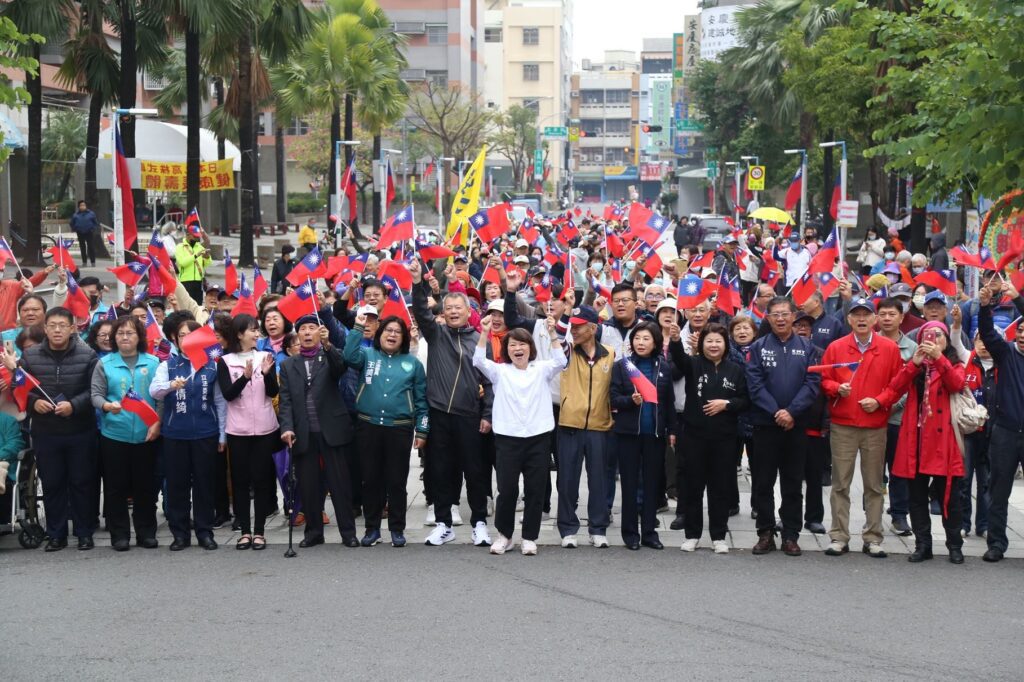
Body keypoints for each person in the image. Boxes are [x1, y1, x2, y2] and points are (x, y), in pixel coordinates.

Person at [410, 258, 493, 547]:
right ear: (443, 313)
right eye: (449, 308)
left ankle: (480, 523)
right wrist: (418, 283)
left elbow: (489, 381)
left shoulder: (480, 341)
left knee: (475, 471)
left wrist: (488, 414)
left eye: (459, 308)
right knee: (440, 471)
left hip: (469, 415)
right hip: (438, 414)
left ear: (469, 312)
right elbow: (421, 311)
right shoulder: (436, 334)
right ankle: (444, 524)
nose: (454, 311)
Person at [819, 297, 906, 558]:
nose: (861, 319)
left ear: (874, 319)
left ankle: (873, 537)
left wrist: (880, 401)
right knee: (840, 484)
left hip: (875, 425)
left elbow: (898, 384)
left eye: (866, 314)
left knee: (874, 485)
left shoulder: (889, 348)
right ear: (848, 319)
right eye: (856, 314)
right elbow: (824, 379)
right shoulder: (836, 347)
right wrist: (837, 388)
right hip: (843, 424)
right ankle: (839, 536)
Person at [876, 320, 966, 563]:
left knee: (949, 497)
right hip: (915, 440)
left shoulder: (954, 362)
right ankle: (923, 544)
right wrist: (913, 364)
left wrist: (939, 359)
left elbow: (956, 384)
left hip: (943, 442)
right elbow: (894, 389)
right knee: (916, 498)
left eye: (938, 335)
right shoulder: (915, 365)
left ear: (946, 339)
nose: (933, 339)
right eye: (928, 335)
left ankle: (954, 546)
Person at [473, 319, 565, 555]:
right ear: (507, 350)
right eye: (512, 345)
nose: (517, 349)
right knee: (507, 489)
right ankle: (505, 536)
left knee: (535, 489)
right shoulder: (500, 371)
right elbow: (478, 360)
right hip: (508, 439)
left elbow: (561, 360)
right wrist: (483, 332)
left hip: (538, 437)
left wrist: (553, 334)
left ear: (530, 348)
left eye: (522, 344)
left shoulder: (541, 369)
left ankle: (529, 537)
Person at [342, 311, 427, 548]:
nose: (392, 335)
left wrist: (422, 431)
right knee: (370, 480)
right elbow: (349, 356)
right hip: (368, 427)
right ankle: (372, 529)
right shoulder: (367, 356)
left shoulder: (413, 364)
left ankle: (397, 530)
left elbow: (421, 402)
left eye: (397, 332)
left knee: (397, 482)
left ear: (404, 338)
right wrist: (358, 328)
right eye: (388, 330)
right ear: (380, 334)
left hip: (399, 429)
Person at [745, 296, 821, 556]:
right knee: (763, 482)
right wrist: (777, 412)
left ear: (793, 317)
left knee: (792, 483)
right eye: (774, 314)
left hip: (796, 426)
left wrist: (791, 412)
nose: (780, 319)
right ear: (767, 318)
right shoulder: (757, 347)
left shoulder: (809, 348)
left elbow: (812, 385)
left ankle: (790, 534)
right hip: (766, 425)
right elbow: (754, 385)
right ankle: (765, 533)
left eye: (784, 314)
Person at [20, 307, 99, 551]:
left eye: (62, 325)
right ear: (45, 328)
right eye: (52, 325)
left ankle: (85, 533)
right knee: (52, 484)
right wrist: (34, 402)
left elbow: (94, 391)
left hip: (80, 431)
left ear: (72, 328)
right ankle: (56, 534)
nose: (57, 330)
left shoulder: (88, 355)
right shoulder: (30, 356)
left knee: (82, 483)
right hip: (46, 433)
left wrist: (73, 406)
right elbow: (20, 389)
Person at [279, 315, 360, 549]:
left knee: (340, 485)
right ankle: (314, 532)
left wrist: (329, 345)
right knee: (309, 485)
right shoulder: (287, 365)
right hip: (304, 433)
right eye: (302, 329)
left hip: (332, 430)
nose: (306, 333)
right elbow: (285, 401)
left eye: (311, 328)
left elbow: (341, 368)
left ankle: (348, 533)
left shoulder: (329, 356)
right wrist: (286, 428)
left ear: (319, 332)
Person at [669, 323, 747, 553]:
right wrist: (674, 340)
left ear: (726, 344)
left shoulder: (735, 370)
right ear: (702, 343)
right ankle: (692, 535)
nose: (714, 345)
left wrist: (727, 404)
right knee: (692, 486)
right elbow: (678, 359)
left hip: (724, 439)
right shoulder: (693, 364)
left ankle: (718, 536)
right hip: (694, 436)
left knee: (720, 488)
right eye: (709, 341)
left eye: (718, 341)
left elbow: (745, 400)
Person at [150, 318, 225, 551]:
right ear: (174, 338)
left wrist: (222, 435)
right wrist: (172, 385)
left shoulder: (212, 365)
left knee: (204, 484)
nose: (185, 339)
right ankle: (180, 533)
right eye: (181, 335)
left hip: (205, 433)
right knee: (177, 485)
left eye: (191, 335)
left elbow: (221, 402)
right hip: (175, 434)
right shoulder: (168, 365)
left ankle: (205, 532)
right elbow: (155, 391)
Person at [89, 315, 161, 551]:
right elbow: (96, 395)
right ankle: (119, 535)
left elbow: (160, 397)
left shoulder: (152, 363)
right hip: (114, 435)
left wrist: (157, 423)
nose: (125, 337)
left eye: (130, 333)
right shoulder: (105, 363)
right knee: (115, 487)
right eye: (120, 333)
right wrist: (106, 406)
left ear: (139, 336)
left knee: (145, 486)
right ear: (114, 338)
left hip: (146, 435)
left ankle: (146, 532)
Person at [552, 303, 614, 549]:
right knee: (567, 479)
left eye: (579, 327)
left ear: (593, 328)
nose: (574, 331)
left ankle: (597, 528)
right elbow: (558, 334)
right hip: (569, 423)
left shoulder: (610, 353)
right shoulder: (567, 351)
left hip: (599, 425)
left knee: (598, 479)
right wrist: (566, 311)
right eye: (573, 327)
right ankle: (567, 528)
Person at [609, 321, 675, 551]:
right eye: (637, 338)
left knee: (651, 485)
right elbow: (613, 398)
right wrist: (630, 401)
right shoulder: (623, 366)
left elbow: (668, 403)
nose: (641, 342)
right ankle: (630, 534)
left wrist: (672, 431)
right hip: (628, 434)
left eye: (646, 338)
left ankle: (649, 532)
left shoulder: (663, 367)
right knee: (629, 484)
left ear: (655, 341)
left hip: (655, 434)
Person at [217, 313, 279, 550]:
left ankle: (260, 531)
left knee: (262, 480)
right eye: (252, 330)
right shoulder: (225, 361)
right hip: (238, 430)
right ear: (240, 334)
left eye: (257, 330)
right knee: (241, 481)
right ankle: (244, 531)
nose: (257, 334)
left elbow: (272, 392)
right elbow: (228, 395)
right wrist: (244, 377)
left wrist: (265, 373)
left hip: (265, 428)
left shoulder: (265, 356)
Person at [976, 282, 1024, 563]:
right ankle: (996, 543)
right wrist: (985, 306)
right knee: (999, 489)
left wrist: (1018, 298)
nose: (1022, 336)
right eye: (1019, 331)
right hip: (1005, 431)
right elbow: (987, 333)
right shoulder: (1005, 354)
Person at [876, 297, 917, 535]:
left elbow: (910, 386)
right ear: (876, 318)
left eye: (892, 314)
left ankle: (899, 515)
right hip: (872, 417)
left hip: (898, 418)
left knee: (899, 469)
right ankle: (873, 513)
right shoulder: (869, 344)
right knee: (874, 470)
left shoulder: (911, 348)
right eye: (883, 314)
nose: (887, 318)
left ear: (902, 318)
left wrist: (887, 404)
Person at [174, 227, 212, 305]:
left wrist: (207, 257)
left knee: (198, 305)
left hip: (198, 281)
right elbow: (182, 262)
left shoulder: (199, 247)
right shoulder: (180, 247)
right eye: (195, 236)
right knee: (186, 305)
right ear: (188, 235)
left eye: (198, 236)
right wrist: (196, 255)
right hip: (186, 281)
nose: (197, 238)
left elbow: (207, 263)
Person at [69, 200, 99, 267]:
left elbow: (95, 223)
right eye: (81, 205)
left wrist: (92, 228)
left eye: (84, 205)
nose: (82, 206)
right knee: (82, 247)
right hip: (80, 232)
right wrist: (75, 228)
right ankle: (84, 262)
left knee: (91, 247)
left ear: (86, 206)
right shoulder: (75, 215)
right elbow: (71, 223)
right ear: (79, 207)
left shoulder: (91, 213)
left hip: (89, 232)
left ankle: (93, 262)